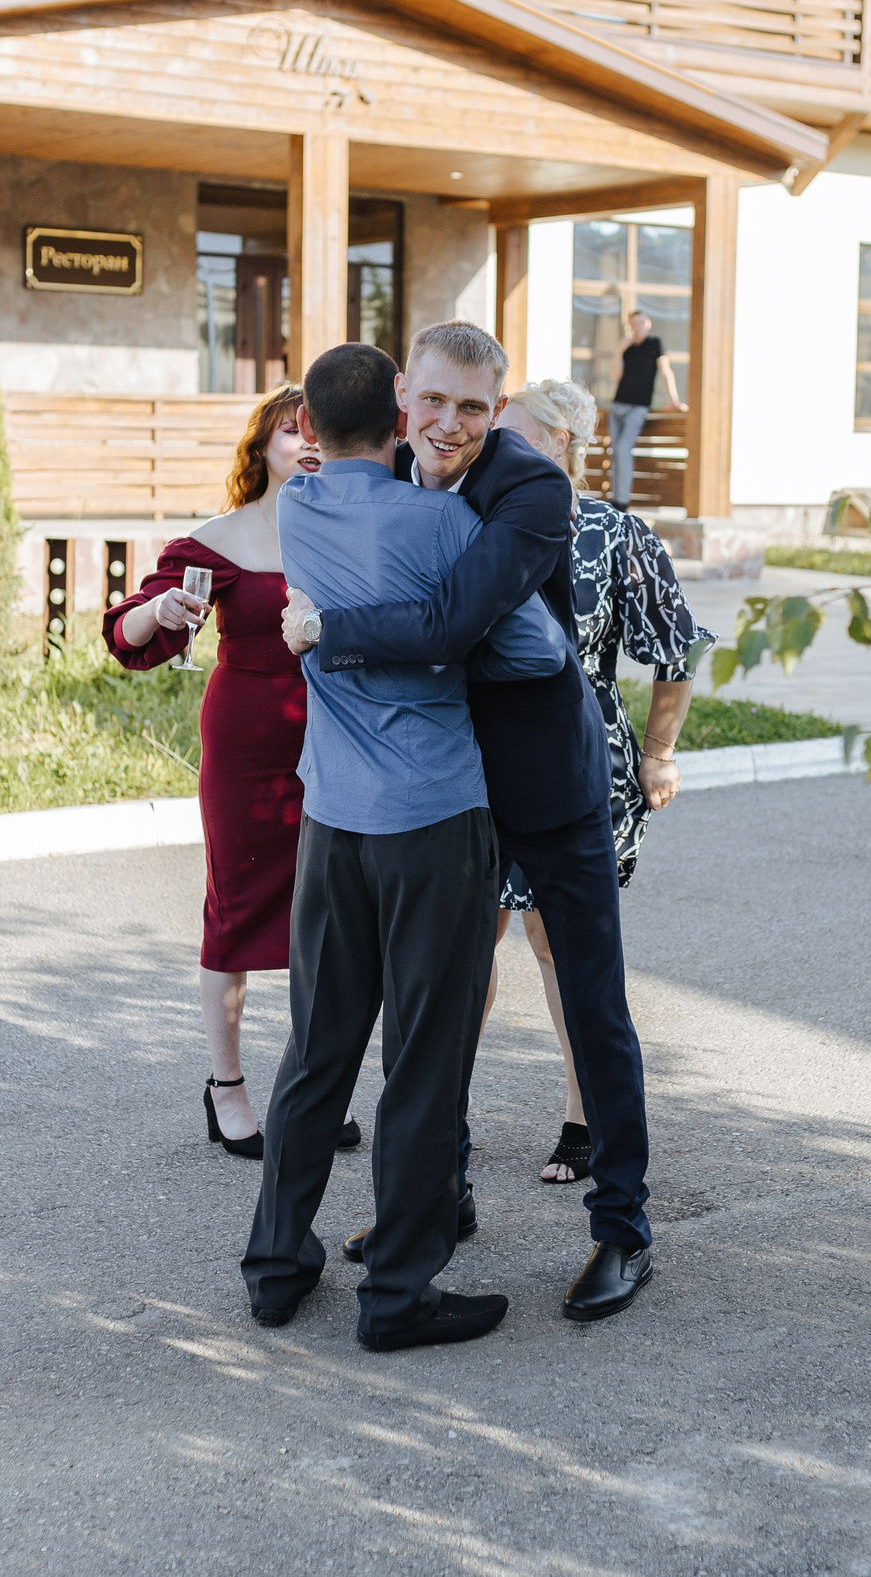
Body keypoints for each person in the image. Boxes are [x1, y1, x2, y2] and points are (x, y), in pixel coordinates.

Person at [282, 320, 658, 1325]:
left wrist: (329, 627)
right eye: (435, 402)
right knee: (435, 1008)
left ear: (498, 411)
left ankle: (621, 1226)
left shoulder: (531, 491)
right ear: (405, 394)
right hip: (443, 789)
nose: (448, 426)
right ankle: (434, 1202)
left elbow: (450, 622)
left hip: (545, 781)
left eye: (473, 408)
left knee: (590, 1002)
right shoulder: (390, 468)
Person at [239, 340, 573, 1353]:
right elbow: (533, 648)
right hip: (431, 821)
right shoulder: (443, 521)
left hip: (333, 823)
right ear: (398, 408)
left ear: (311, 428)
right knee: (424, 1061)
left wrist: (333, 626)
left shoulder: (298, 507)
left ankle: (276, 1264)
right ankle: (396, 1293)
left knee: (315, 1052)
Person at [102, 385, 357, 1162]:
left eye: (321, 432)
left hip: (345, 740)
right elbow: (126, 630)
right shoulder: (216, 541)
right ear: (263, 447)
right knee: (238, 912)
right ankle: (228, 1088)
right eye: (291, 431)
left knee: (335, 920)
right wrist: (165, 612)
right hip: (249, 745)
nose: (308, 444)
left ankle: (315, 1087)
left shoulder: (356, 529)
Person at [488, 378, 710, 1185]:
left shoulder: (615, 533)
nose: (494, 447)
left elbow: (675, 649)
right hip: (478, 757)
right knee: (466, 941)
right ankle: (444, 1130)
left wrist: (659, 752)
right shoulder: (477, 516)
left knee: (561, 942)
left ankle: (584, 1118)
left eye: (513, 434)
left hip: (584, 757)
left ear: (562, 445)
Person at [603, 311, 683, 511]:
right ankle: (616, 499)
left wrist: (674, 400)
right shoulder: (628, 348)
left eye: (640, 323)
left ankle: (622, 501)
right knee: (615, 452)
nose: (637, 327)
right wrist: (619, 350)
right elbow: (616, 377)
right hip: (618, 405)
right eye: (633, 324)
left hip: (638, 407)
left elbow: (665, 371)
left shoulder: (655, 344)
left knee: (623, 449)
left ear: (648, 323)